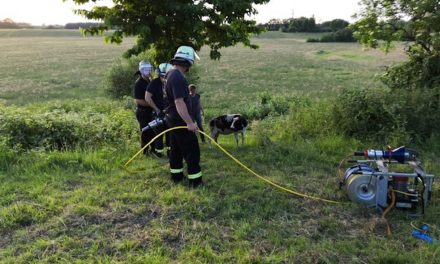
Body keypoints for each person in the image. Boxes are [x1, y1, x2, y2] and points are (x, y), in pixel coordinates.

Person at [165, 46, 202, 187]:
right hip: (180, 120)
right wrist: (190, 123)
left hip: (172, 119)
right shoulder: (178, 77)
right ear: (188, 62)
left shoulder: (169, 73)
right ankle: (195, 182)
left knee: (176, 149)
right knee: (192, 150)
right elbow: (179, 102)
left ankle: (176, 177)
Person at [145, 62, 173, 158]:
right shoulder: (154, 83)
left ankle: (170, 152)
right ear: (159, 74)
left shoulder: (172, 82)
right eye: (162, 76)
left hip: (170, 113)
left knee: (170, 133)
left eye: (166, 76)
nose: (164, 78)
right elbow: (147, 97)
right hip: (159, 113)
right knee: (159, 134)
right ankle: (158, 152)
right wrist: (156, 109)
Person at [133, 60, 155, 155]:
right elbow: (138, 100)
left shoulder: (150, 81)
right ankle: (145, 152)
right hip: (143, 112)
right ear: (141, 70)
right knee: (145, 131)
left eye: (149, 69)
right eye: (146, 70)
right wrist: (152, 105)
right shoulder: (139, 83)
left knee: (153, 131)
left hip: (151, 112)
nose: (148, 72)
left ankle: (153, 150)